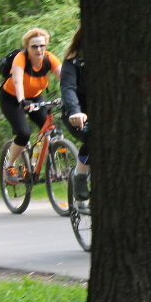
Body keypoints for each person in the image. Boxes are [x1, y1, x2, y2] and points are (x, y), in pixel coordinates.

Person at [0, 27, 62, 183]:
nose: (39, 49)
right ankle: (10, 166)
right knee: (23, 133)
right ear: (27, 47)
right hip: (12, 98)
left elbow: (65, 79)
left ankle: (36, 164)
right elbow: (17, 80)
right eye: (34, 46)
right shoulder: (21, 58)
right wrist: (22, 100)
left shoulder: (49, 58)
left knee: (50, 131)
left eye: (42, 45)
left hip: (35, 97)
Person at [59, 28, 90, 207]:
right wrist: (75, 111)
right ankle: (80, 175)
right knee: (93, 138)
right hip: (76, 113)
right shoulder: (72, 62)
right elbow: (68, 88)